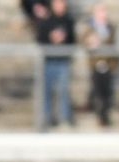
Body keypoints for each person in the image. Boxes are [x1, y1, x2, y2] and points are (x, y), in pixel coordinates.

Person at [39, 0, 77, 128]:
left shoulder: (68, 21)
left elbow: (73, 39)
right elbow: (40, 39)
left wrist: (64, 39)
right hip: (49, 60)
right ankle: (47, 118)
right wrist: (51, 38)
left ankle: (64, 119)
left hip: (63, 60)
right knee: (47, 91)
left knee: (64, 91)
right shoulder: (46, 21)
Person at [85, 3, 119, 126]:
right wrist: (90, 42)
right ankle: (100, 117)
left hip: (108, 65)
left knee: (107, 93)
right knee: (98, 93)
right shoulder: (90, 28)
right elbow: (84, 41)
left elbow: (115, 43)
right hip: (96, 65)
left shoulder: (110, 27)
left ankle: (105, 117)